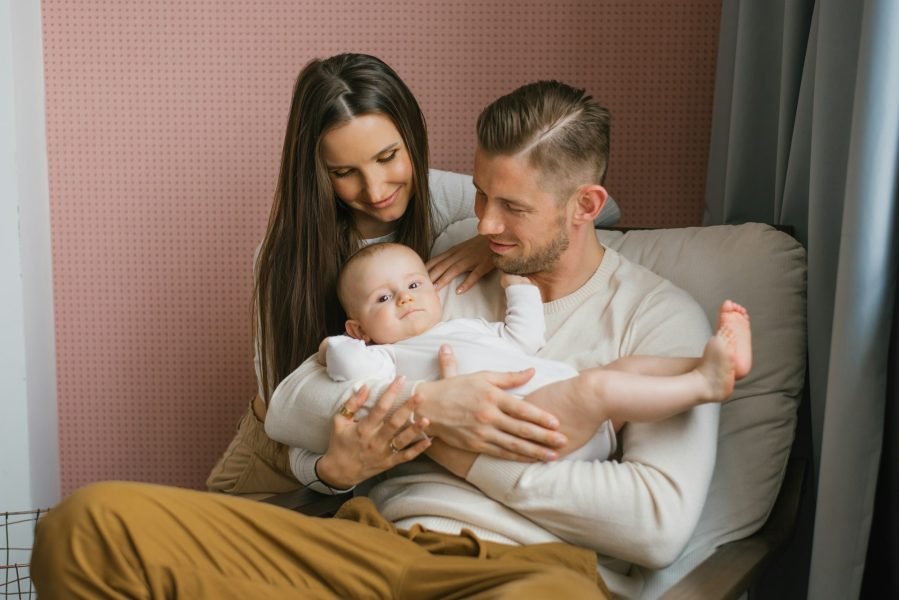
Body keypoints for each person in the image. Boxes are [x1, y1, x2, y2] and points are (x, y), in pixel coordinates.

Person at [32, 80, 712, 599]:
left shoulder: (661, 318)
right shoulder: (432, 275)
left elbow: (655, 526)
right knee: (86, 526)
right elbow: (297, 400)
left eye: (512, 208)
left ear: (585, 207)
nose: (486, 221)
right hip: (364, 544)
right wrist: (428, 406)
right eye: (478, 197)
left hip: (521, 569)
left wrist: (456, 444)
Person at [204, 52, 566, 497]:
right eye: (344, 173)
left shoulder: (447, 200)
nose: (375, 190)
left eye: (388, 157)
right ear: (318, 172)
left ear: (411, 136)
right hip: (285, 462)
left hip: (390, 467)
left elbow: (602, 208)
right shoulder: (284, 257)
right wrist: (331, 471)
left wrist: (493, 239)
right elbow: (284, 411)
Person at [293, 241, 749, 489]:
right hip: (532, 424)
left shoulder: (469, 327)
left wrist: (517, 285)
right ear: (360, 328)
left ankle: (705, 362)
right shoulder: (382, 358)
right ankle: (705, 385)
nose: (405, 297)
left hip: (565, 404)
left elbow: (525, 336)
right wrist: (333, 347)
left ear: (434, 291)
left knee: (621, 370)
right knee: (597, 390)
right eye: (384, 298)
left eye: (413, 283)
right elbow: (347, 371)